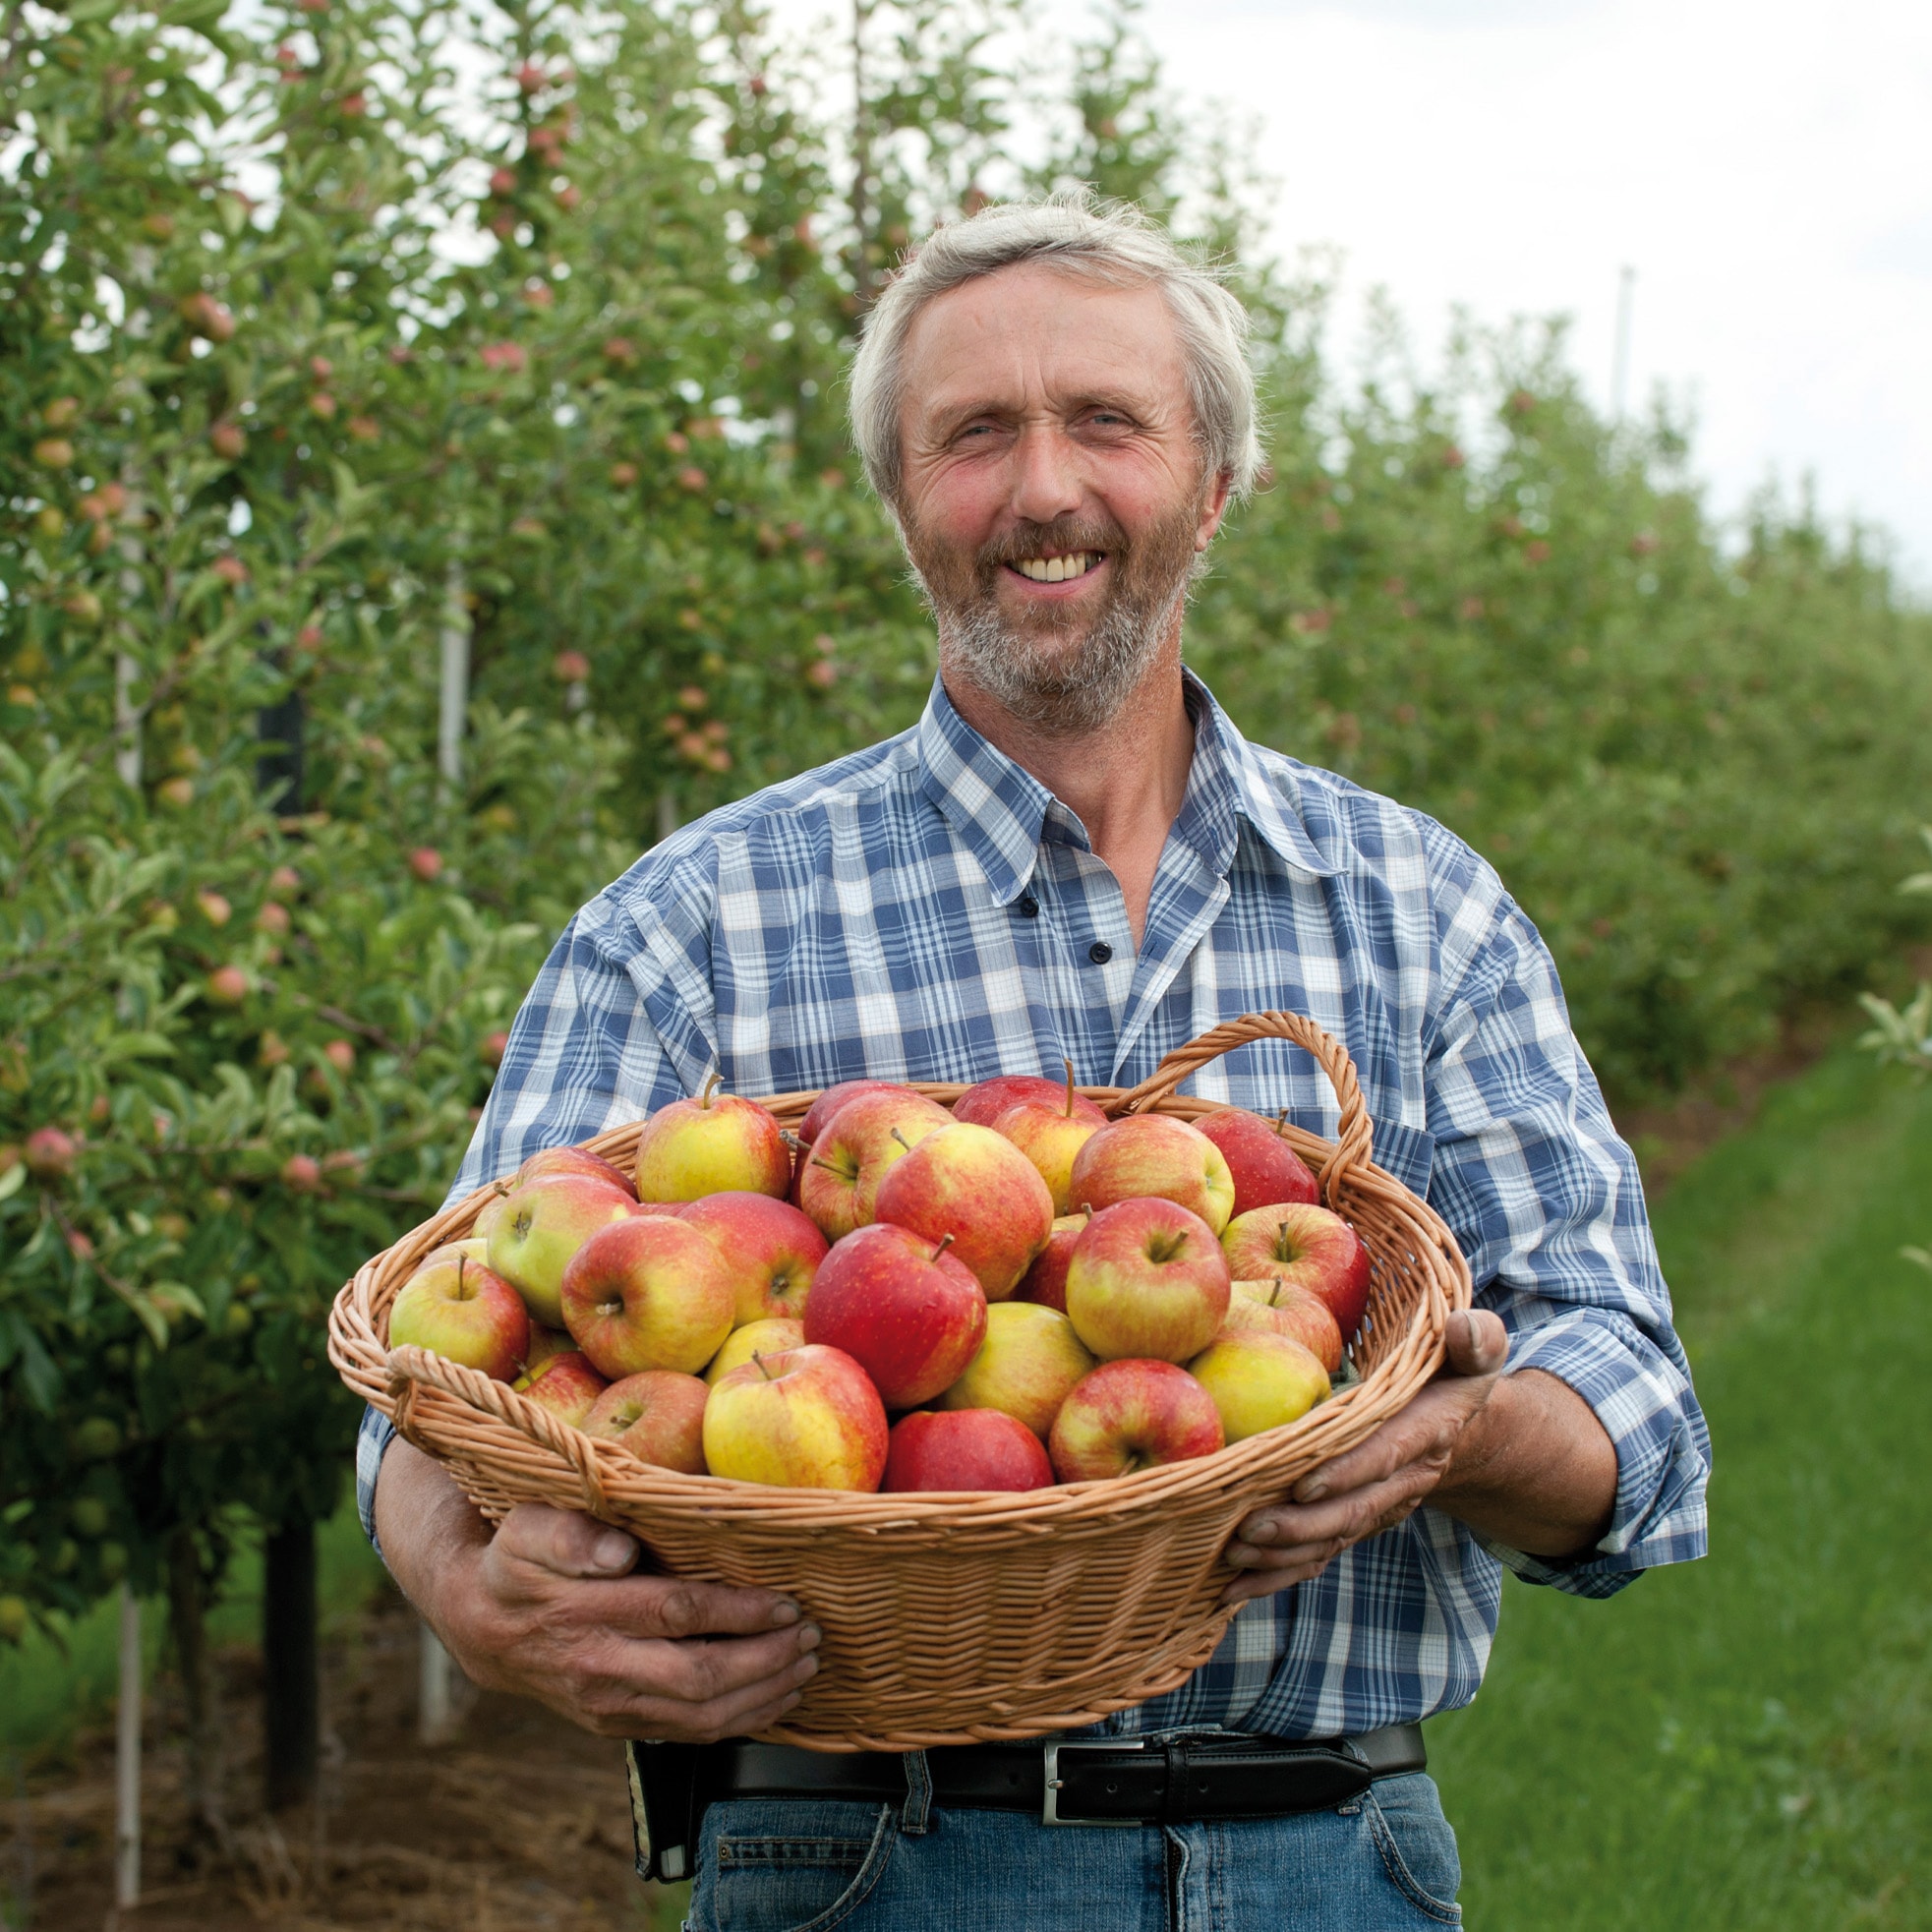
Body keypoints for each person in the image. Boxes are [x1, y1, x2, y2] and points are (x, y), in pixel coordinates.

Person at [360, 194, 1709, 1929]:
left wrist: (1453, 1430)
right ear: (903, 503)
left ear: (1214, 484)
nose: (1043, 488)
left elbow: (1642, 1416)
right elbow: (442, 1352)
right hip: (859, 1858)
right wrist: (456, 1573)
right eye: (975, 433)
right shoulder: (694, 919)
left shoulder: (1420, 907)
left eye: (1107, 422)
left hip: (1332, 1856)